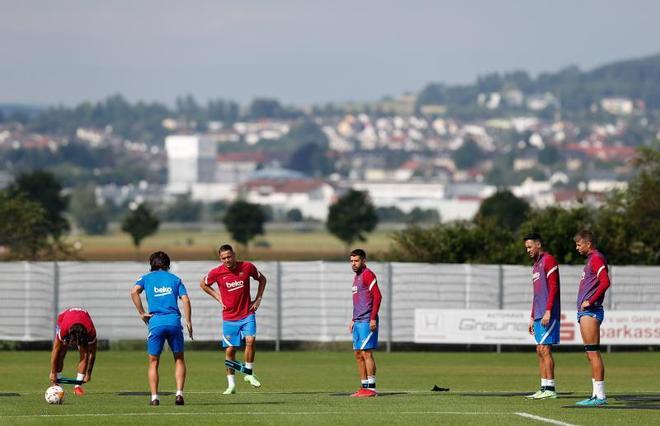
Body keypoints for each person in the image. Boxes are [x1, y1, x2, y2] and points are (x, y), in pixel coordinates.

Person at [200, 244, 267, 395]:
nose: (227, 260)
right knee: (230, 350)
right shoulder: (216, 272)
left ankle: (249, 373)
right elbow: (203, 284)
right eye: (224, 258)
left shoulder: (247, 267)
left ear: (234, 255)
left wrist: (258, 299)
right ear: (220, 259)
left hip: (247, 314)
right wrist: (218, 296)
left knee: (250, 340)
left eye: (229, 257)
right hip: (229, 317)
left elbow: (262, 279)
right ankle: (231, 385)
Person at [130, 251, 193, 406]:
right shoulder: (175, 279)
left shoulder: (145, 278)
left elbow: (133, 292)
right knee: (179, 358)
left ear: (152, 264)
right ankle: (179, 394)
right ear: (168, 264)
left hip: (156, 323)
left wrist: (142, 313)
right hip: (173, 322)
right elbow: (185, 299)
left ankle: (154, 398)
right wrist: (189, 321)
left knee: (153, 362)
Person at [574, 230, 611, 407]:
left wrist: (591, 300)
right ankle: (596, 395)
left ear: (588, 243)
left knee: (593, 353)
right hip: (586, 312)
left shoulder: (596, 258)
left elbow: (605, 282)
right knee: (590, 353)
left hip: (591, 311)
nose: (577, 247)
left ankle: (600, 396)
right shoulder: (591, 260)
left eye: (579, 244)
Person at [523, 233, 561, 400]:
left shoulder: (549, 260)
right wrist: (532, 317)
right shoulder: (535, 266)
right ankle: (543, 387)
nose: (528, 250)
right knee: (539, 350)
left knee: (545, 349)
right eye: (526, 248)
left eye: (530, 247)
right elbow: (536, 294)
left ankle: (550, 389)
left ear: (538, 244)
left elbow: (554, 287)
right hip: (538, 313)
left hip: (548, 313)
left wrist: (548, 310)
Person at [349, 248, 382, 398]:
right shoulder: (356, 277)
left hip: (367, 320)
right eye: (352, 261)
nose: (354, 264)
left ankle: (372, 389)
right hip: (358, 320)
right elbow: (358, 302)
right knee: (357, 354)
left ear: (364, 261)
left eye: (356, 261)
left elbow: (378, 296)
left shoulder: (368, 274)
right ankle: (364, 387)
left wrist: (373, 317)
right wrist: (353, 319)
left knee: (366, 353)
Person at [49, 307, 98, 396]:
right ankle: (57, 384)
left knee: (85, 354)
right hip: (63, 320)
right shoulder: (64, 329)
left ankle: (77, 387)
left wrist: (88, 374)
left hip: (83, 325)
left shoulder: (91, 332)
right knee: (61, 352)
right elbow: (55, 350)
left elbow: (92, 354)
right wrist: (53, 372)